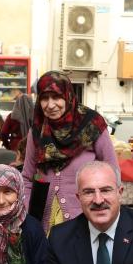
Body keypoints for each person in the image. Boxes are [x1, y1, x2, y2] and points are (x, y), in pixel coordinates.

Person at [22, 72, 119, 231]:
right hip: (45, 223)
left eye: (56, 97)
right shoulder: (37, 130)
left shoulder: (92, 124)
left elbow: (113, 171)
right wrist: (28, 215)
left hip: (87, 220)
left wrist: (106, 212)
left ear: (68, 96)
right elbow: (26, 177)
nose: (50, 105)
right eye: (44, 98)